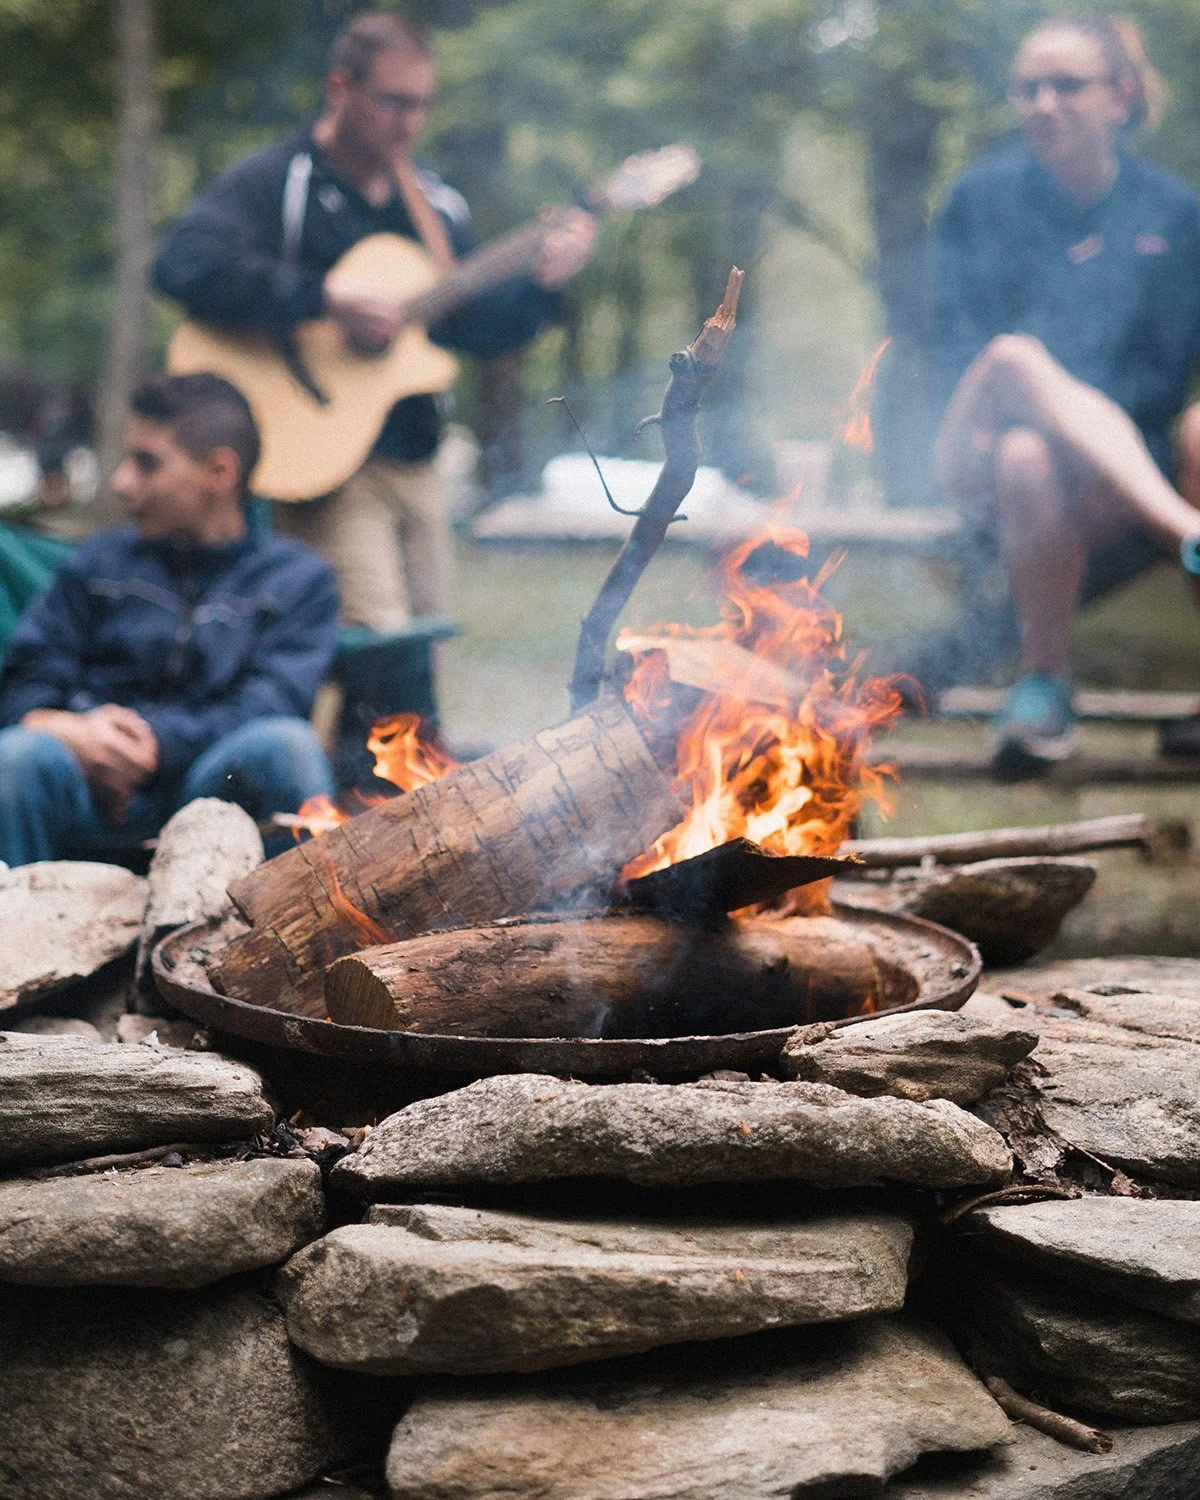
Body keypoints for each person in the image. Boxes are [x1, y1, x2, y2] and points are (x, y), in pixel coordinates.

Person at [153, 11, 597, 631]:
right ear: (341, 88)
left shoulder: (435, 206)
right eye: (393, 102)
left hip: (417, 464)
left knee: (423, 649)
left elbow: (471, 332)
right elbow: (182, 265)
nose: (410, 122)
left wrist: (543, 286)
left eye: (422, 105)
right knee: (380, 647)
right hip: (323, 464)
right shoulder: (280, 181)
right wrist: (322, 299)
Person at [929, 14, 1200, 776]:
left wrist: (1082, 437)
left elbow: (1163, 378)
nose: (1044, 103)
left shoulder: (1174, 215)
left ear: (1121, 97)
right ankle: (1189, 530)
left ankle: (1044, 698)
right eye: (1028, 87)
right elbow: (954, 354)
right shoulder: (978, 201)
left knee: (1191, 430)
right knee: (1017, 374)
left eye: (1067, 85)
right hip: (975, 449)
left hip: (1102, 476)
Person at [0, 373, 339, 866]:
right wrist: (68, 729)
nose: (121, 482)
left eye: (147, 464)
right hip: (89, 793)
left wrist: (155, 743)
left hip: (212, 795)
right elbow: (26, 680)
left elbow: (271, 702)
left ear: (219, 473)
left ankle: (309, 937)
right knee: (18, 756)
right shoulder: (98, 562)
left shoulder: (299, 580)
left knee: (288, 747)